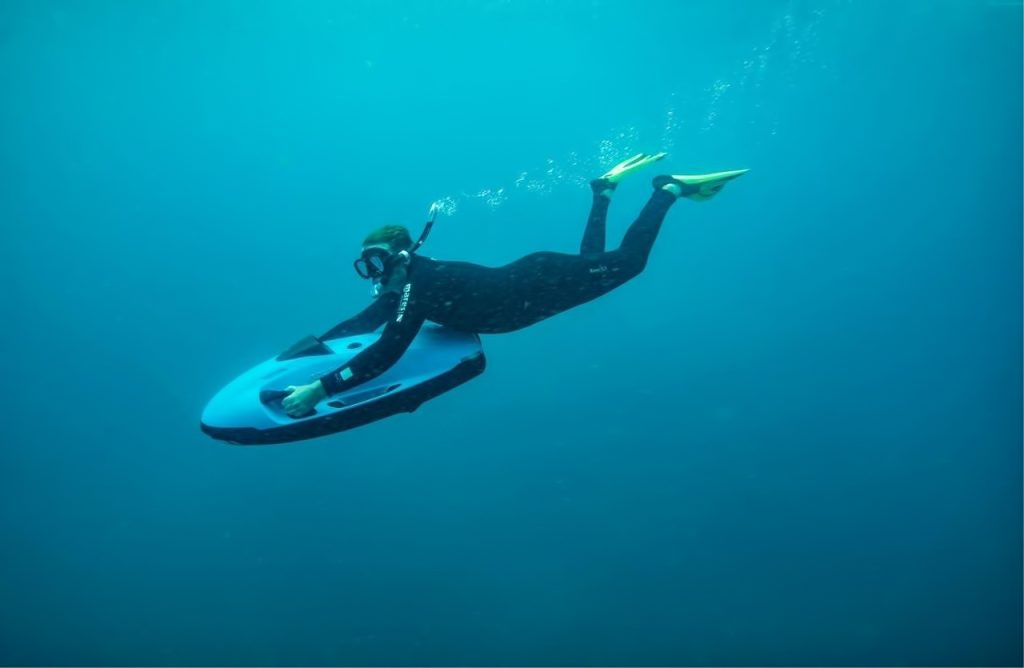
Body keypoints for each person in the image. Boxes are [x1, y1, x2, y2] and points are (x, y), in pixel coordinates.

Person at [282, 153, 747, 417]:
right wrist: (311, 348)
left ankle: (667, 190)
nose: (373, 271)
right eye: (365, 264)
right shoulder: (406, 289)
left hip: (537, 282)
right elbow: (368, 321)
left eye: (376, 261)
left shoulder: (418, 284)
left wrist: (321, 389)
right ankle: (603, 190)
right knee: (595, 267)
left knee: (628, 265)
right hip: (536, 288)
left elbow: (389, 349)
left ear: (401, 253)